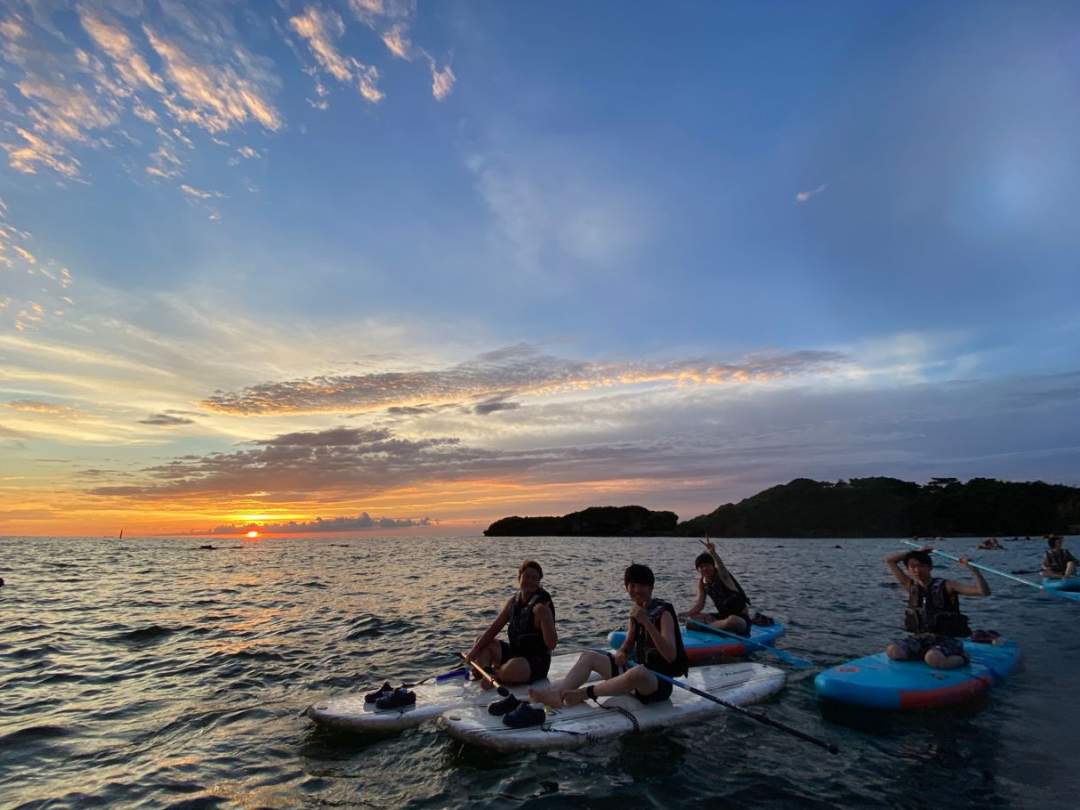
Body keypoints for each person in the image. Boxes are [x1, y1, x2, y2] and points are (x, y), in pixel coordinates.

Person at [528, 563, 688, 718]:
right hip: (634, 674)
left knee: (638, 673)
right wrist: (622, 652)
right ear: (626, 588)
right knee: (588, 656)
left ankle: (585, 693)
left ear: (651, 587)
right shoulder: (636, 612)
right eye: (632, 585)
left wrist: (646, 622)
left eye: (642, 585)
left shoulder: (663, 613)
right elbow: (628, 643)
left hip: (655, 683)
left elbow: (670, 655)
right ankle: (557, 694)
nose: (636, 590)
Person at [883, 548, 990, 669]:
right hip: (921, 637)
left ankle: (963, 657)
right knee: (893, 651)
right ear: (908, 569)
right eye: (912, 566)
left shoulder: (947, 586)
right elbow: (889, 560)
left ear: (930, 568)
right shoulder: (910, 586)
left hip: (946, 639)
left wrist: (975, 571)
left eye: (921, 566)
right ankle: (925, 653)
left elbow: (983, 592)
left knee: (933, 659)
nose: (917, 570)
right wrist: (918, 551)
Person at [465, 560, 557, 687]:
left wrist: (546, 617)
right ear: (519, 578)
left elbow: (551, 645)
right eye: (527, 577)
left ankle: (495, 674)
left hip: (535, 662)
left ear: (539, 582)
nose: (530, 581)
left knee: (513, 667)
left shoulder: (542, 606)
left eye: (534, 578)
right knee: (481, 641)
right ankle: (487, 671)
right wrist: (474, 651)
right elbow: (494, 629)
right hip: (515, 653)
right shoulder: (513, 602)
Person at [680, 537, 751, 636]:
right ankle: (717, 627)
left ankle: (709, 627)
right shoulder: (702, 583)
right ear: (698, 570)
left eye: (707, 565)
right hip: (722, 617)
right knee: (691, 620)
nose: (704, 568)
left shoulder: (723, 576)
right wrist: (686, 614)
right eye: (701, 567)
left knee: (733, 621)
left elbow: (721, 567)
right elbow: (699, 605)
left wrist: (713, 553)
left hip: (741, 619)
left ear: (713, 566)